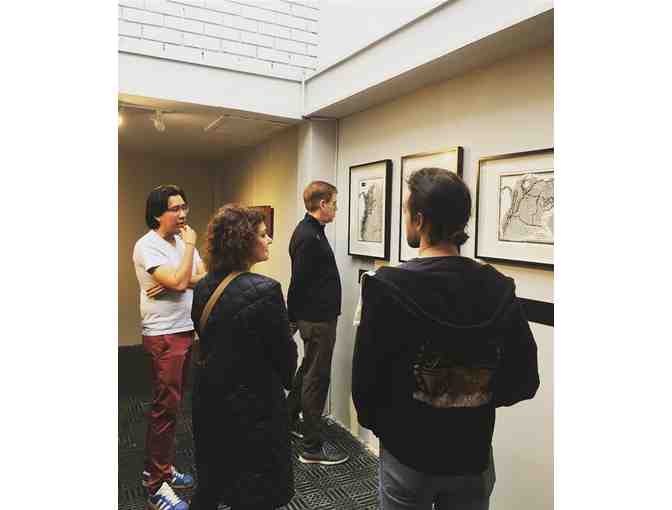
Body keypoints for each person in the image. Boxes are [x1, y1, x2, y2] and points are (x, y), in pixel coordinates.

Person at [352, 168, 540, 510]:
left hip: (407, 450)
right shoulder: (498, 287)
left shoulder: (385, 286)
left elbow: (365, 384)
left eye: (407, 212)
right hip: (471, 451)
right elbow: (525, 379)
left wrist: (388, 428)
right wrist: (475, 398)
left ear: (420, 220)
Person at [190, 204, 298, 510]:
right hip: (256, 403)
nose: (269, 239)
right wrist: (285, 383)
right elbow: (284, 355)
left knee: (217, 475)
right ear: (244, 241)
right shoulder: (266, 290)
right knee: (256, 486)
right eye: (263, 234)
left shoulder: (204, 286)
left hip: (211, 396)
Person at [132, 184, 206, 510]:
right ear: (157, 214)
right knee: (165, 409)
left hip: (185, 330)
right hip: (164, 335)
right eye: (175, 209)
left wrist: (173, 282)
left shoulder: (179, 243)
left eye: (184, 207)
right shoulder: (147, 246)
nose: (183, 214)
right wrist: (180, 274)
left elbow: (201, 277)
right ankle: (155, 485)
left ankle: (161, 468)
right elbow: (181, 280)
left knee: (172, 407)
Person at [285, 181, 349, 465]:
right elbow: (298, 282)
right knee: (317, 378)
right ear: (322, 204)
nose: (336, 208)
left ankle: (287, 420)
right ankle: (311, 447)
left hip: (317, 317)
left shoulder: (313, 232)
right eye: (334, 203)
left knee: (308, 371)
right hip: (316, 319)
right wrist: (291, 319)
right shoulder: (308, 236)